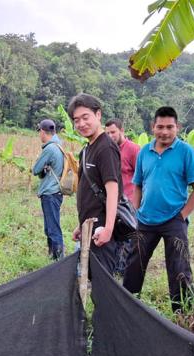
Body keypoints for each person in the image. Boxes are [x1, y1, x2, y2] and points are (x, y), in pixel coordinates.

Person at [122, 106, 194, 313]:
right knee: (133, 265)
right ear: (153, 127)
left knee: (179, 269)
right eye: (160, 127)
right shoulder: (144, 152)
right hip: (145, 220)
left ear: (177, 127)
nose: (164, 132)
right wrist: (135, 211)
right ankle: (127, 306)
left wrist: (182, 216)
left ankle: (182, 313)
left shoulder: (186, 152)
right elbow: (138, 184)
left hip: (174, 220)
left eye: (170, 127)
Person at [67, 93, 121, 273]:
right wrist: (81, 225)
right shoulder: (88, 148)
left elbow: (113, 191)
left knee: (102, 285)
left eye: (85, 117)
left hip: (101, 231)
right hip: (88, 227)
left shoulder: (106, 147)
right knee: (85, 277)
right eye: (76, 120)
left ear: (98, 115)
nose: (81, 124)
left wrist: (108, 229)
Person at [105, 118, 140, 276]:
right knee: (114, 237)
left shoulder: (133, 149)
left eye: (113, 132)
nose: (110, 136)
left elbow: (142, 177)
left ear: (121, 131)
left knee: (128, 240)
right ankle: (113, 269)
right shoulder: (107, 149)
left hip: (129, 203)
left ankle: (122, 272)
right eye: (107, 133)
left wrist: (137, 203)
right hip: (113, 202)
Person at [31, 118, 65, 260]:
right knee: (51, 226)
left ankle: (58, 259)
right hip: (56, 192)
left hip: (50, 193)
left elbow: (35, 169)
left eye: (40, 132)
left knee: (52, 228)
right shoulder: (59, 146)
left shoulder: (50, 148)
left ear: (44, 132)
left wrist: (40, 168)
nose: (40, 135)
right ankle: (53, 256)